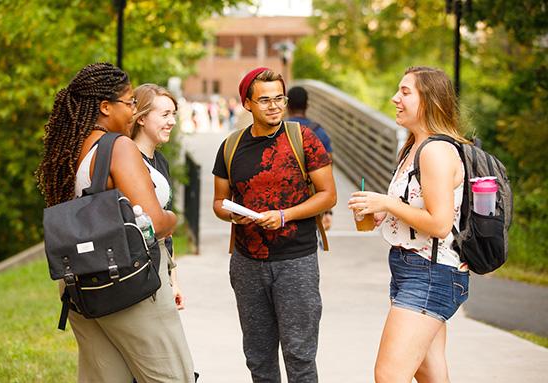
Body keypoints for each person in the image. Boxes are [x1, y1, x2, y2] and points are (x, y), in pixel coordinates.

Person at [37, 63, 195, 383]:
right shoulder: (117, 146)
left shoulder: (68, 149)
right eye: (129, 102)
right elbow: (152, 222)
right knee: (172, 377)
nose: (134, 111)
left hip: (78, 285)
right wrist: (173, 219)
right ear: (105, 107)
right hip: (126, 282)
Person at [212, 67, 336, 383]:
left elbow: (328, 196)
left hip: (297, 261)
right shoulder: (230, 146)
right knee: (258, 357)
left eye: (279, 98)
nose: (274, 106)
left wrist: (284, 215)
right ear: (247, 104)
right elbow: (218, 202)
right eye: (264, 99)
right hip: (247, 263)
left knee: (300, 356)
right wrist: (232, 214)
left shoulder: (303, 139)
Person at [348, 66, 469, 383]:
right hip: (410, 267)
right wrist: (387, 213)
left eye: (405, 92)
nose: (394, 98)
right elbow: (422, 208)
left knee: (389, 375)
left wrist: (388, 203)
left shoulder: (436, 151)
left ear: (428, 100)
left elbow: (441, 224)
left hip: (430, 272)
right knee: (430, 373)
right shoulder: (414, 147)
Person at [130, 83, 185, 311]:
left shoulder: (160, 161)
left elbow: (167, 233)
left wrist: (173, 281)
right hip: (138, 269)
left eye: (173, 114)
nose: (171, 121)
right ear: (141, 118)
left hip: (160, 265)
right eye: (164, 114)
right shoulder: (128, 160)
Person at [286, 86, 334, 233]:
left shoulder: (279, 130)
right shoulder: (318, 131)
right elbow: (328, 171)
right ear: (307, 105)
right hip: (313, 199)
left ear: (287, 105)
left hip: (284, 200)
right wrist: (328, 211)